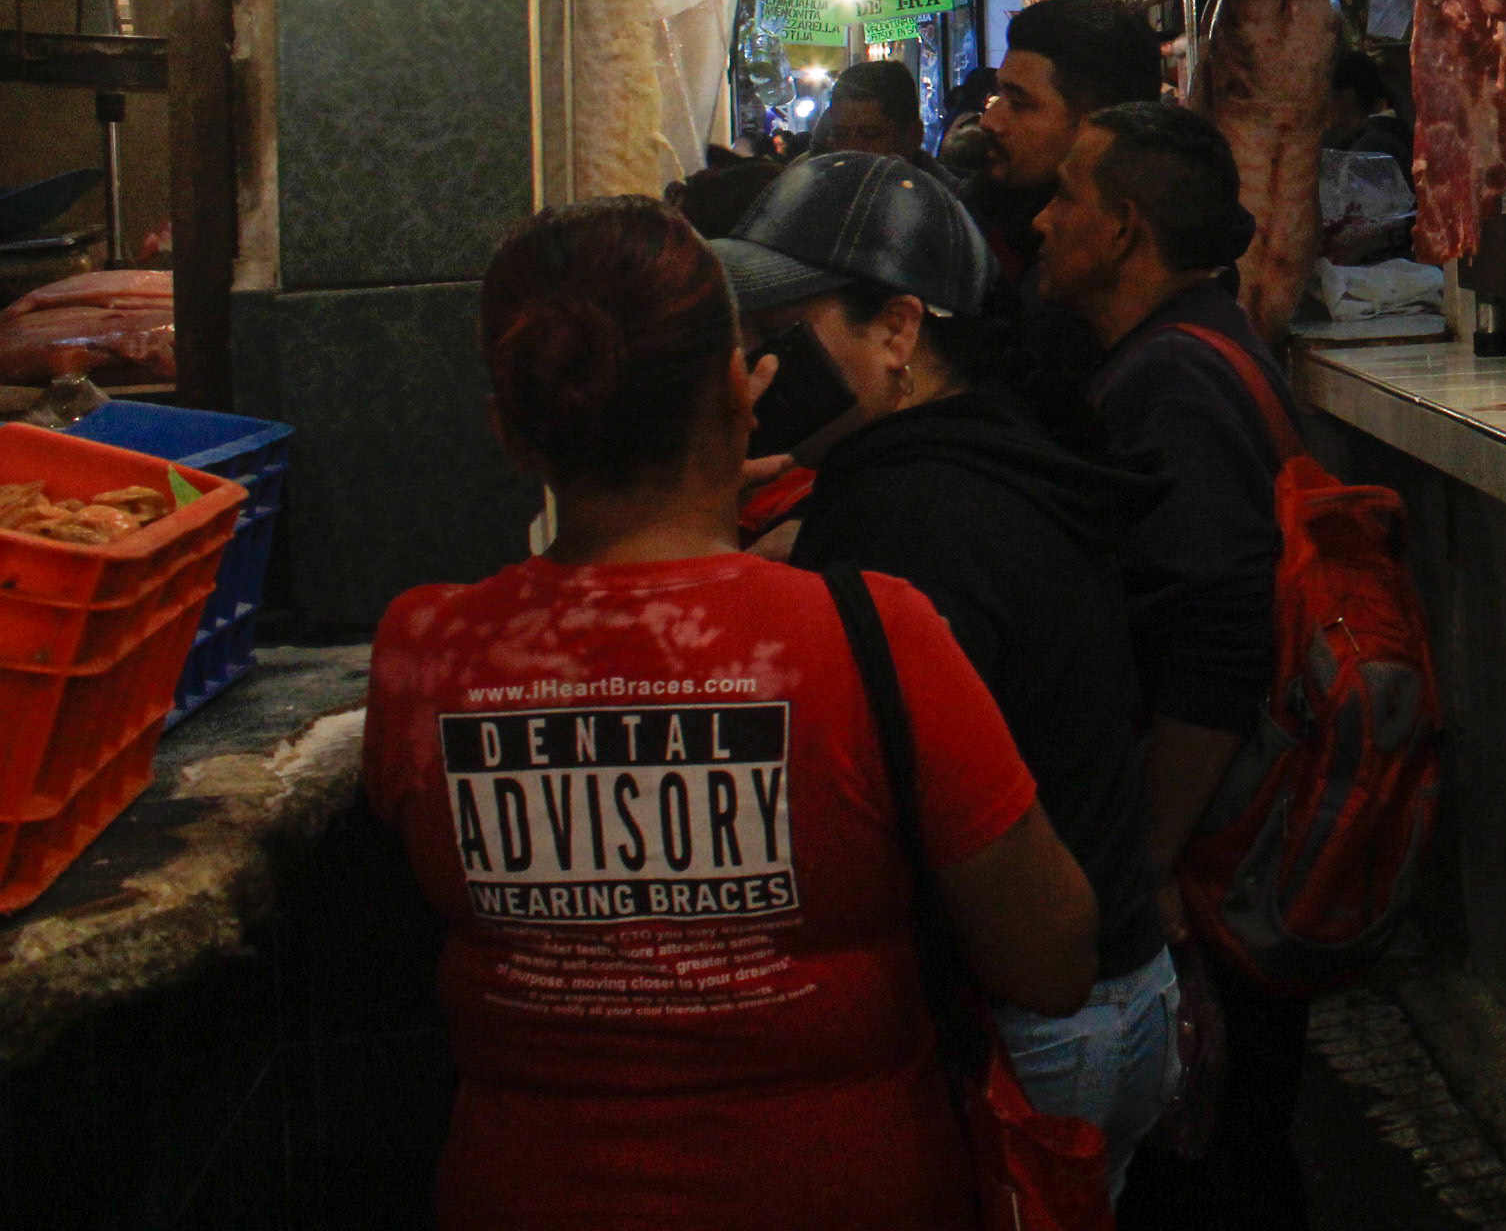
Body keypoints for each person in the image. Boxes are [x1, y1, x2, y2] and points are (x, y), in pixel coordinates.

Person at [362, 197, 1096, 1230]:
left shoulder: (424, 652)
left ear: (509, 432)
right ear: (745, 391)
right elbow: (1051, 960)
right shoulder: (869, 636)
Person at [711, 153, 1182, 1191]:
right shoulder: (977, 457)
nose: (748, 364)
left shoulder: (912, 518)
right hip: (1115, 990)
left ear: (899, 331)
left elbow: (913, 821)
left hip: (1035, 1033)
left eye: (778, 328)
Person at [1033, 101, 1309, 1231]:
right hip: (1223, 834)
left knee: (1216, 1170)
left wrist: (1150, 855)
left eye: (1065, 198)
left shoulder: (1171, 381)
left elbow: (1216, 636)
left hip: (1213, 851)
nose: (1043, 221)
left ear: (1123, 230)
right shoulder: (1184, 348)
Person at [970, 0, 1170, 443]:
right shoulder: (980, 230)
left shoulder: (1119, 284)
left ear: (1095, 125)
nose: (991, 121)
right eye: (998, 95)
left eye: (1019, 102)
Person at [820, 57, 951, 184]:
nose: (852, 148)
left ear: (913, 136)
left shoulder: (953, 202)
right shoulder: (814, 195)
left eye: (869, 134)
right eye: (841, 135)